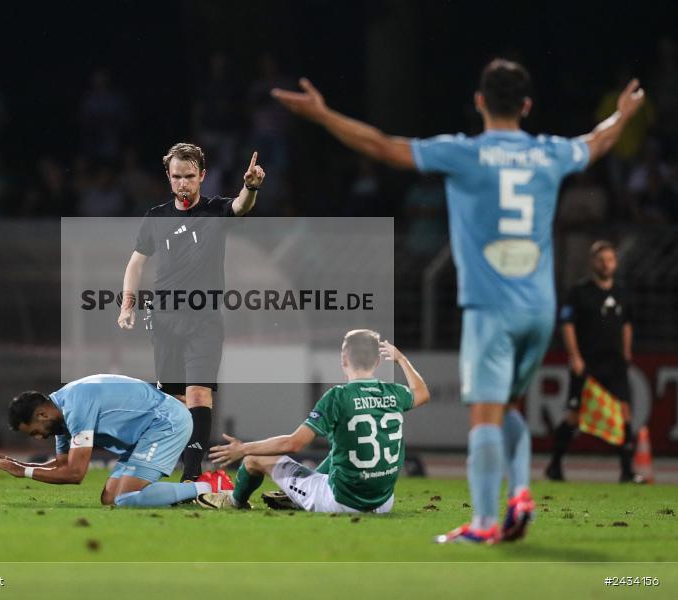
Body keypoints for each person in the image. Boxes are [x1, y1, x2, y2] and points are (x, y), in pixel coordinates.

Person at [272, 59, 645, 543]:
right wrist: (624, 114)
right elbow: (599, 142)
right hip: (539, 307)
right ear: (527, 105)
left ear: (479, 102)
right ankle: (522, 491)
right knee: (509, 407)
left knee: (484, 417)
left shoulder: (463, 153)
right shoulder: (550, 152)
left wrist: (323, 115)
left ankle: (486, 523)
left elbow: (382, 146)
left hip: (491, 307)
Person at [117, 142, 265, 482]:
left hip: (204, 319)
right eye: (176, 177)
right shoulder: (156, 217)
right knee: (172, 399)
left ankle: (192, 474)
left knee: (199, 392)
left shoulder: (215, 212)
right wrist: (128, 304)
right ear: (168, 179)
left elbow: (242, 207)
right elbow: (136, 263)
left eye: (189, 177)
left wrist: (250, 187)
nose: (183, 184)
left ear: (202, 176)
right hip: (165, 319)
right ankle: (162, 464)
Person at [196, 331, 429, 513]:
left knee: (253, 460)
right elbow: (422, 393)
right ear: (378, 361)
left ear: (343, 359)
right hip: (383, 502)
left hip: (341, 502)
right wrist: (400, 359)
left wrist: (243, 448)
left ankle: (235, 501)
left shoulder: (338, 397)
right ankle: (296, 494)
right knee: (340, 448)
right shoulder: (395, 393)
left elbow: (294, 444)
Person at [0, 373, 214, 507]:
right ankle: (181, 495)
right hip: (145, 433)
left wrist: (23, 472)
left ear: (42, 415)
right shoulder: (60, 411)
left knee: (126, 498)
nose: (39, 438)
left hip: (165, 422)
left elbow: (75, 473)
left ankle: (209, 487)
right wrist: (20, 465)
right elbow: (62, 464)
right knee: (110, 497)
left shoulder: (76, 409)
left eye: (34, 432)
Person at [547, 241, 638, 483]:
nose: (605, 264)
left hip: (615, 363)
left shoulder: (621, 293)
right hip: (587, 363)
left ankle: (627, 471)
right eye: (601, 260)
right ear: (592, 262)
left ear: (616, 263)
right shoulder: (579, 292)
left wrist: (627, 352)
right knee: (575, 415)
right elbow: (567, 325)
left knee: (624, 412)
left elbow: (627, 324)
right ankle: (554, 464)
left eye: (610, 260)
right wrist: (574, 356)